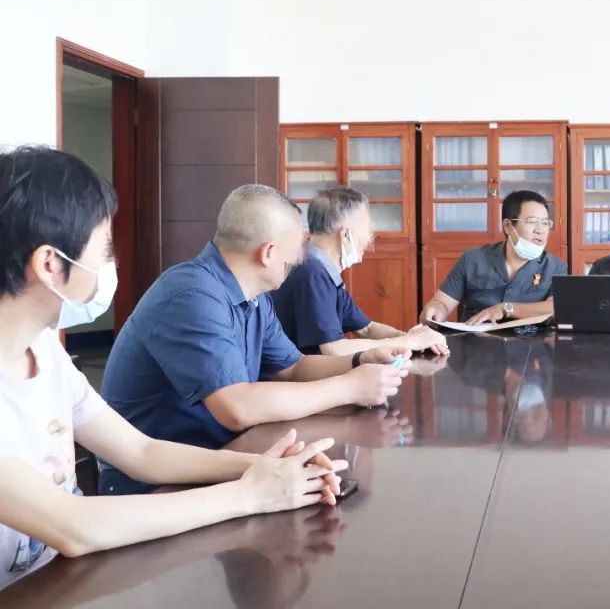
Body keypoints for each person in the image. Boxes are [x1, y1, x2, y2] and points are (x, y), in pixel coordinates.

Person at [0, 147, 345, 590]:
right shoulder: (190, 291)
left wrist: (265, 467)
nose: (108, 264)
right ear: (50, 264)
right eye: (103, 248)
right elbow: (74, 527)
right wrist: (250, 494)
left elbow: (141, 452)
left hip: (60, 584)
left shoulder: (44, 351)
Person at [101, 184, 409, 495]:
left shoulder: (255, 298)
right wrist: (350, 387)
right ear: (268, 252)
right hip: (156, 484)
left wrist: (358, 362)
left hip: (225, 457)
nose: (301, 256)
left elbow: (295, 368)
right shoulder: (192, 293)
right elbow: (237, 408)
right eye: (297, 247)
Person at [272, 187, 448, 357]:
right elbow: (334, 350)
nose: (370, 238)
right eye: (367, 229)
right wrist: (408, 342)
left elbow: (366, 328)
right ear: (345, 235)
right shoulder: (311, 272)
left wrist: (413, 338)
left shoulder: (321, 268)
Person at [420, 190, 567, 325]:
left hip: (532, 343)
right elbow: (443, 303)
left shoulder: (556, 267)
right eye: (532, 222)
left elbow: (556, 307)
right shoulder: (473, 260)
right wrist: (435, 310)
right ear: (508, 226)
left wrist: (506, 308)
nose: (540, 230)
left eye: (545, 223)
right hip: (476, 341)